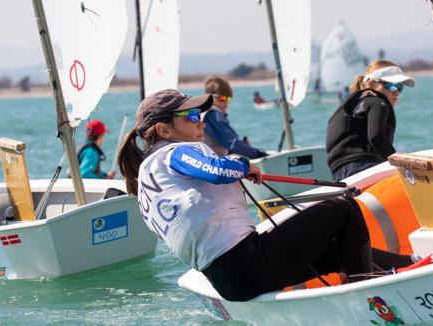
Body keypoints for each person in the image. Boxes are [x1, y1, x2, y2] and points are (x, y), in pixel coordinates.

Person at [118, 89, 375, 302]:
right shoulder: (174, 153)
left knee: (335, 252)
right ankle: (369, 297)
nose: (201, 122)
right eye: (192, 116)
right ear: (164, 131)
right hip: (249, 263)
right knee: (344, 208)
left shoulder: (145, 183)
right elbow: (215, 170)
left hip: (227, 283)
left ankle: (406, 264)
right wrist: (243, 164)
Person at [326, 60, 415, 181]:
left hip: (339, 174)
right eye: (391, 85)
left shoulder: (352, 107)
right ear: (372, 85)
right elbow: (376, 136)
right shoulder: (378, 103)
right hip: (364, 167)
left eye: (400, 87)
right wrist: (401, 165)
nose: (396, 92)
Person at [203, 76, 268, 159]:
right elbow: (233, 144)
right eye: (222, 99)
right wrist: (259, 154)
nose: (226, 103)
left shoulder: (205, 113)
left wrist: (242, 146)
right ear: (210, 98)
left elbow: (226, 143)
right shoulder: (214, 115)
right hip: (214, 165)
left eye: (228, 99)